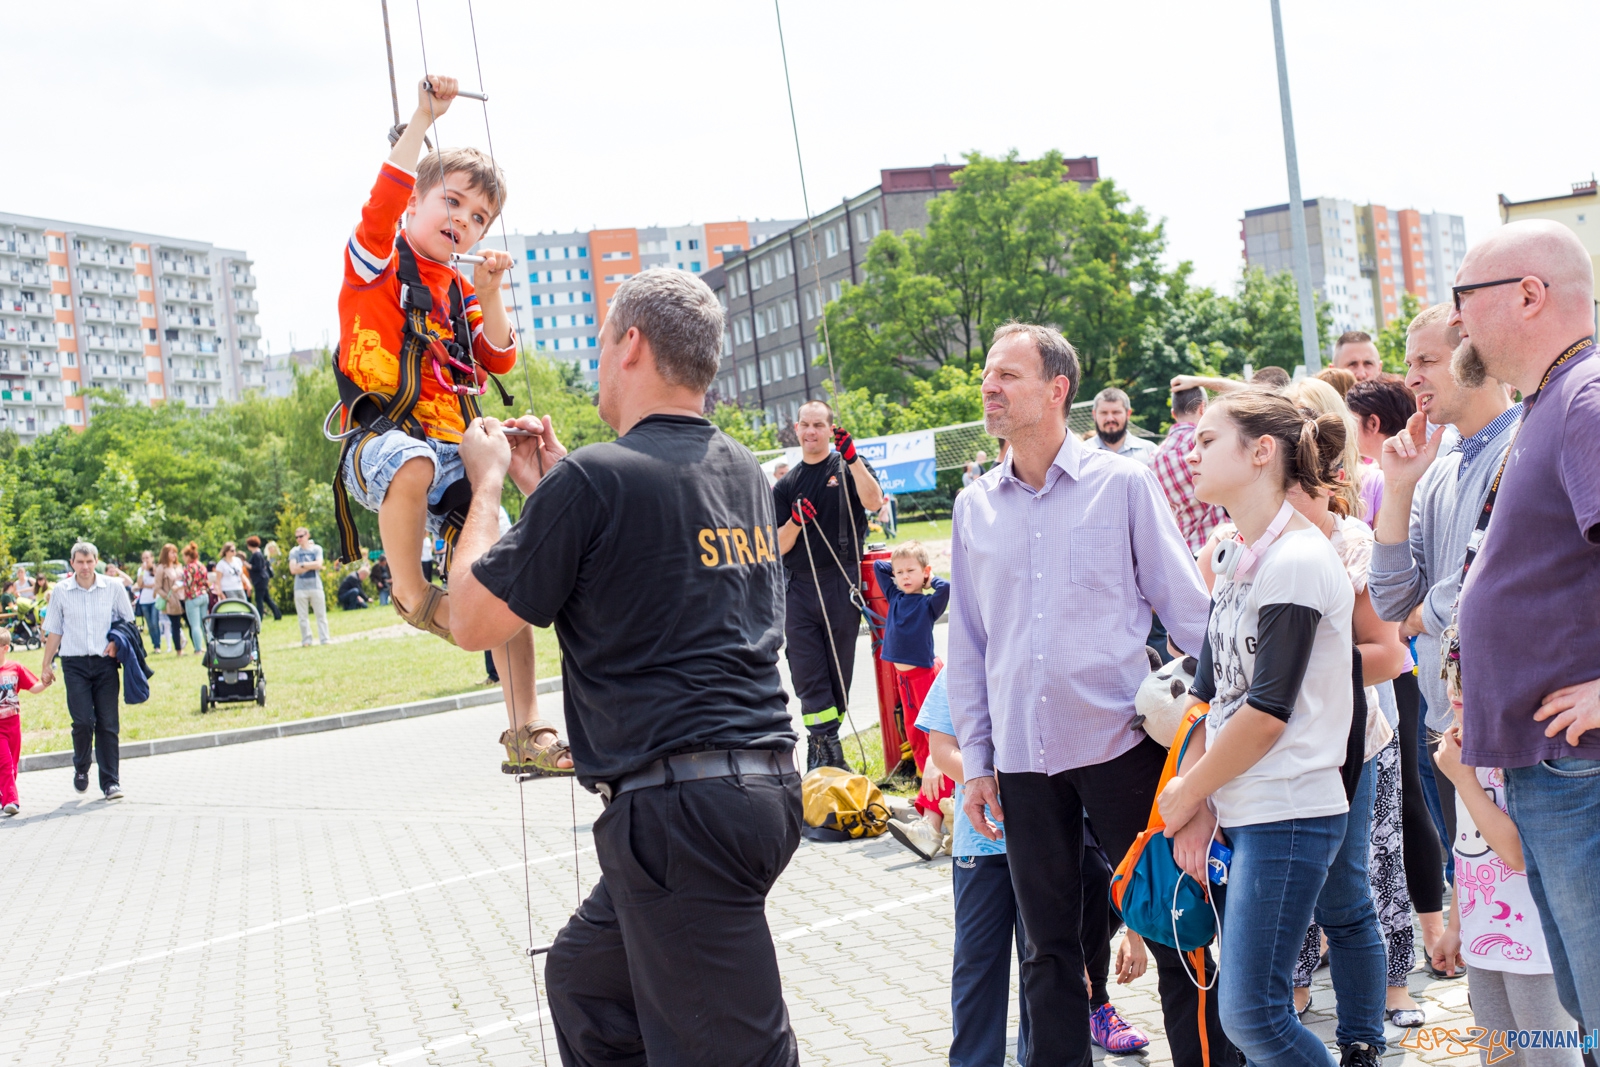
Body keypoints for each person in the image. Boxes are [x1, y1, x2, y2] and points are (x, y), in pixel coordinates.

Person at [449, 268, 801, 1066]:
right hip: (755, 789)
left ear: (631, 344)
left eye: (604, 343)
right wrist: (556, 496)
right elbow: (653, 573)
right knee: (588, 981)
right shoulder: (739, 467)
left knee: (733, 1052)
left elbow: (472, 618)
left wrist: (489, 483)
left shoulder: (596, 478)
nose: (601, 361)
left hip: (682, 813)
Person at [948, 322, 1233, 1067]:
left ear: (1057, 390)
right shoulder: (973, 507)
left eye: (1008, 375)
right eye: (987, 375)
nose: (990, 387)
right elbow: (969, 646)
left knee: (1174, 926)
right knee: (1047, 952)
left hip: (1122, 748)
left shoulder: (1123, 484)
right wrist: (975, 762)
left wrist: (1228, 729)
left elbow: (1190, 613)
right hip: (1023, 762)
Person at [1158, 391, 1360, 1067]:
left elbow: (1268, 712)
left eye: (1208, 440)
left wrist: (1190, 791)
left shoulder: (1297, 559)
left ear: (1261, 451)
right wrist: (1198, 803)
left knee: (1252, 1014)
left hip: (1290, 808)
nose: (1191, 452)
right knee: (1251, 1014)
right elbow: (1208, 693)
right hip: (1248, 806)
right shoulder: (1236, 556)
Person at [1449, 220, 1600, 1029]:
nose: (1456, 320)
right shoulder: (1559, 398)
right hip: (1559, 764)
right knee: (1585, 1000)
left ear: (1530, 295)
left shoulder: (1584, 399)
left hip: (1582, 766)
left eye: (1463, 297)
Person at [332, 75, 515, 646]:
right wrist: (423, 119)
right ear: (414, 202)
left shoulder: (460, 290)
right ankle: (411, 593)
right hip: (382, 444)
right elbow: (382, 203)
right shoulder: (375, 264)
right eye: (451, 201)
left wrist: (489, 294)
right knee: (411, 460)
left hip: (452, 449)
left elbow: (499, 358)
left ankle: (523, 699)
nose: (462, 220)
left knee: (505, 567)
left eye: (478, 217)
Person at [1431, 661, 1581, 1067]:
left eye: (1471, 677)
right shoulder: (1464, 755)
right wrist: (1455, 928)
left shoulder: (1521, 757)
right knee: (1499, 1059)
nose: (1456, 691)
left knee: (1550, 1057)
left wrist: (1464, 780)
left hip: (1535, 946)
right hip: (1483, 943)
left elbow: (1517, 854)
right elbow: (1467, 849)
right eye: (1452, 676)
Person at [773, 399, 884, 771]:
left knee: (839, 672)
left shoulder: (849, 466)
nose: (810, 432)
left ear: (830, 429)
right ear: (796, 429)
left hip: (841, 582)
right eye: (805, 424)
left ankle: (823, 749)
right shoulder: (786, 485)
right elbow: (777, 545)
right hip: (799, 587)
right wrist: (795, 521)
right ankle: (827, 749)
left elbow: (874, 501)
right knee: (806, 670)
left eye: (818, 425)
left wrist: (852, 459)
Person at [875, 541, 952, 860]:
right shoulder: (894, 596)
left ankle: (932, 818)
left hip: (925, 679)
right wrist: (901, 564)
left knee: (934, 744)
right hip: (904, 682)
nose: (904, 577)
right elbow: (879, 567)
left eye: (911, 571)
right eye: (900, 572)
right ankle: (933, 805)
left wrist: (929, 579)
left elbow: (946, 588)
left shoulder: (927, 604)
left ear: (924, 573)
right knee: (916, 742)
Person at [39, 541, 134, 801]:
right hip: (74, 664)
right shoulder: (61, 591)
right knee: (82, 721)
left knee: (108, 722)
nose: (85, 567)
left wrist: (116, 643)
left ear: (96, 561)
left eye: (89, 561)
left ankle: (111, 782)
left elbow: (127, 621)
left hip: (105, 662)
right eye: (80, 562)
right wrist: (46, 664)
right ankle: (81, 767)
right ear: (72, 563)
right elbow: (55, 630)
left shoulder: (113, 587)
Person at [1152, 384, 1227, 553]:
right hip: (1220, 544)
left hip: (1185, 549)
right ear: (1202, 408)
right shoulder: (1210, 442)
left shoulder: (1154, 457)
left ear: (1173, 413)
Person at [1345, 377, 1415, 525]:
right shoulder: (1367, 475)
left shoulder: (1416, 483)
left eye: (1350, 421)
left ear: (1373, 423)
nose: (1346, 430)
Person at [0, 627, 51, 815]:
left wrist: (45, 683)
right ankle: (11, 801)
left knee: (12, 765)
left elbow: (33, 687)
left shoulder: (15, 668)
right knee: (5, 763)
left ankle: (3, 793)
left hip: (13, 723)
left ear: (5, 648)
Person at [1086, 386, 1156, 464]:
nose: (1110, 418)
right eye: (1104, 413)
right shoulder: (1082, 453)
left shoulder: (1150, 452)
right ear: (1094, 415)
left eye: (1116, 412)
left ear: (1128, 414)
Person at [289, 528, 330, 647]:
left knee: (321, 615)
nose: (299, 539)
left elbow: (319, 564)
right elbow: (293, 569)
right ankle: (306, 640)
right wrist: (311, 565)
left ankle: (325, 639)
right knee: (302, 617)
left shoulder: (316, 549)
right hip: (300, 588)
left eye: (301, 536)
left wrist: (302, 565)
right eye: (296, 537)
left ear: (307, 535)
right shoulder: (294, 551)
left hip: (316, 586)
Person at [152, 543, 188, 655]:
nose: (174, 555)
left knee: (190, 623)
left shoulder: (178, 567)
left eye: (175, 552)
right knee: (176, 625)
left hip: (183, 598)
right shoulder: (161, 568)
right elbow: (157, 587)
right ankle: (178, 650)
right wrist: (168, 598)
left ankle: (197, 648)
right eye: (172, 552)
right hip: (172, 601)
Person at [179, 542, 210, 651]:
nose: (183, 558)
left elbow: (187, 584)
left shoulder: (188, 567)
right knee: (205, 624)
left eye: (184, 556)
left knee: (195, 625)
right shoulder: (201, 565)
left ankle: (198, 649)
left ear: (188, 556)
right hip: (204, 595)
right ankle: (210, 645)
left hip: (193, 597)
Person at [246, 535, 281, 621]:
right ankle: (277, 614)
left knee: (259, 599)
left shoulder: (257, 555)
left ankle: (259, 617)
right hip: (262, 578)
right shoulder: (258, 554)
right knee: (266, 598)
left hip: (260, 579)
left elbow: (258, 567)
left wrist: (248, 565)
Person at [134, 550, 161, 648]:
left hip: (154, 599)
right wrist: (142, 571)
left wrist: (146, 585)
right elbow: (139, 584)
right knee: (149, 624)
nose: (145, 560)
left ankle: (158, 644)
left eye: (147, 558)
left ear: (152, 558)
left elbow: (157, 584)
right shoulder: (140, 570)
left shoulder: (156, 569)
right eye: (143, 558)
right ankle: (155, 645)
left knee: (155, 623)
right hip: (144, 600)